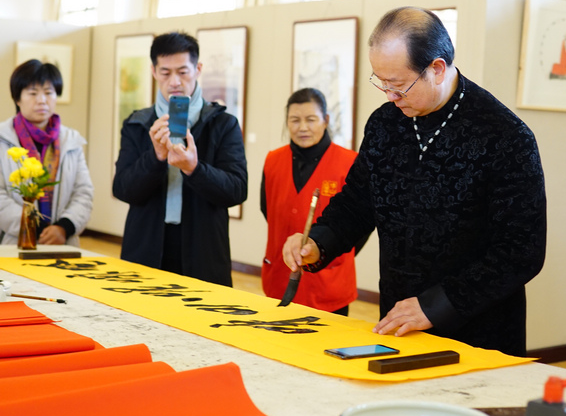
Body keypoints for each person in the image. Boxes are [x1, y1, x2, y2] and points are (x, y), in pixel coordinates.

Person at [283, 7, 546, 357]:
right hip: (398, 320)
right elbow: (358, 200)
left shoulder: (504, 135)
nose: (390, 96)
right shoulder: (384, 124)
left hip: (478, 329)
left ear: (436, 69)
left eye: (398, 85)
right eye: (382, 82)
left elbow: (521, 251)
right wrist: (318, 241)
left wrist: (437, 305)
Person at [112, 32, 247, 286]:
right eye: (165, 73)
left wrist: (194, 168)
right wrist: (156, 157)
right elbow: (122, 189)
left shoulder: (223, 124)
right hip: (145, 250)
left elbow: (237, 191)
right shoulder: (137, 124)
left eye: (183, 72)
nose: (174, 81)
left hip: (203, 252)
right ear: (153, 71)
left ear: (198, 69)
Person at [261, 88, 359, 315]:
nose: (302, 127)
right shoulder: (272, 160)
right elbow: (267, 208)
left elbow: (358, 226)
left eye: (310, 119)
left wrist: (330, 250)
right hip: (279, 276)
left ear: (325, 120)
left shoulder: (350, 162)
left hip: (329, 282)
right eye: (294, 120)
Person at [0, 60, 93, 246]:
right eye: (33, 93)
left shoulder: (71, 140)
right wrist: (33, 227)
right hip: (16, 241)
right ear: (18, 99)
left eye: (49, 93)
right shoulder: (3, 138)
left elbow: (83, 192)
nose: (42, 100)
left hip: (63, 242)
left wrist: (64, 227)